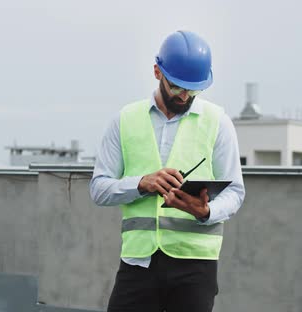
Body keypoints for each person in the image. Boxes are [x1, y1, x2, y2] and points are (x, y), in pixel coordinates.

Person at [89, 30, 245, 312]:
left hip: (195, 266)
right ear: (157, 72)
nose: (184, 96)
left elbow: (235, 191)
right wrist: (142, 183)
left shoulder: (218, 122)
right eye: (176, 87)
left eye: (193, 90)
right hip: (138, 262)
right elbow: (99, 189)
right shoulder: (124, 120)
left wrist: (205, 211)